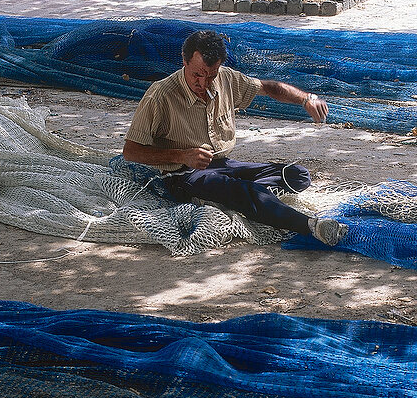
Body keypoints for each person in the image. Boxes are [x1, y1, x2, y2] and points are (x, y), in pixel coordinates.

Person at [123, 29, 350, 246]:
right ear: (184, 61)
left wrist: (306, 99)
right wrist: (182, 155)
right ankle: (311, 226)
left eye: (211, 76)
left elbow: (269, 87)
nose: (204, 84)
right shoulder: (160, 95)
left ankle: (231, 195)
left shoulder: (226, 78)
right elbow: (131, 151)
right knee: (248, 193)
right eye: (197, 75)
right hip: (183, 175)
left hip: (222, 165)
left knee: (296, 175)